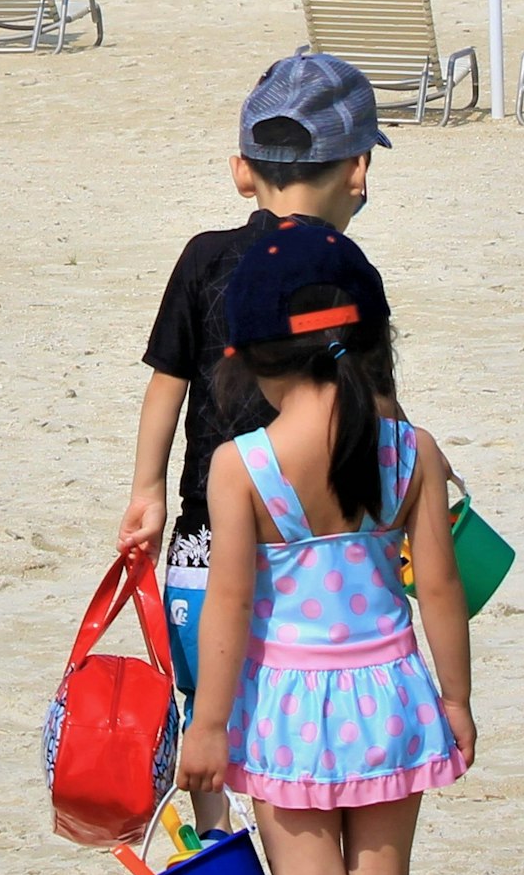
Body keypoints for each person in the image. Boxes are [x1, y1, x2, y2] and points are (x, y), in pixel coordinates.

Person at [177, 216, 474, 875]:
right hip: (391, 697)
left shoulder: (243, 466)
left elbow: (226, 606)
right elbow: (442, 585)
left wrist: (209, 724)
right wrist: (456, 700)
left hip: (291, 711)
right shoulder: (411, 450)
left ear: (247, 358)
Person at [116, 52, 383, 833]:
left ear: (242, 172)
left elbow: (168, 383)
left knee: (210, 700)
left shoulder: (204, 258)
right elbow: (376, 397)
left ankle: (229, 867)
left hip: (205, 527)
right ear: (357, 171)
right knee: (299, 697)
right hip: (312, 536)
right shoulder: (347, 268)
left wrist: (146, 490)